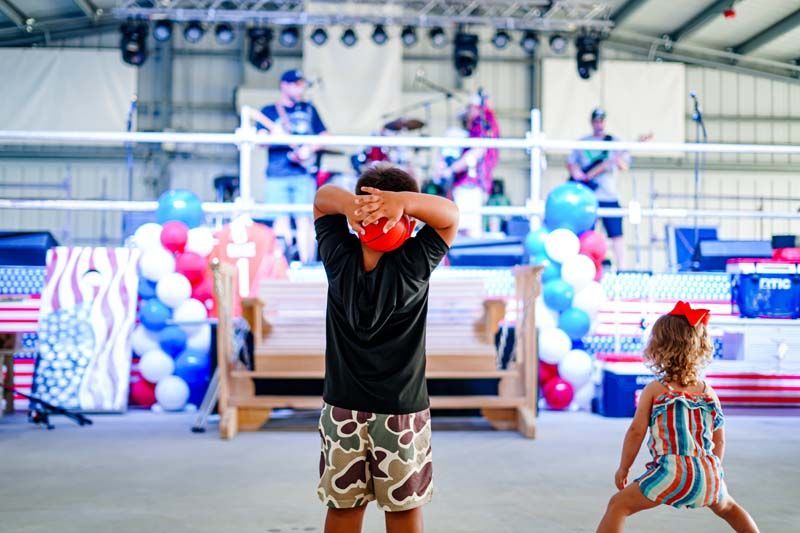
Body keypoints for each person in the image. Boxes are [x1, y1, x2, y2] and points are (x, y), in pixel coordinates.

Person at [312, 163, 459, 533]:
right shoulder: (415, 262)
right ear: (408, 225)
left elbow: (321, 200)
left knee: (343, 508)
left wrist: (352, 205)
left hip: (341, 409)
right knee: (404, 510)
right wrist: (402, 203)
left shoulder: (338, 256)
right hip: (401, 413)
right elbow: (448, 216)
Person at [597, 301, 759, 533]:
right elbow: (719, 440)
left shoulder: (655, 389)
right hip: (709, 471)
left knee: (618, 505)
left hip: (672, 473)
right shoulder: (708, 391)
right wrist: (713, 472)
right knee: (730, 508)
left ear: (659, 348)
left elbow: (636, 432)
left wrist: (624, 467)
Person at [257, 69, 327, 263]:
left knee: (305, 219)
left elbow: (324, 136)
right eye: (296, 84)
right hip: (277, 174)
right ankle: (283, 264)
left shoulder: (309, 110)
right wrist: (275, 136)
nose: (300, 89)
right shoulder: (269, 111)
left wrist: (308, 150)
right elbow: (259, 141)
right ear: (284, 85)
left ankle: (306, 264)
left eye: (301, 84)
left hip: (303, 174)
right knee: (280, 220)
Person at [567, 108, 630, 269]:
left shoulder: (614, 142)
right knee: (586, 233)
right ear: (592, 122)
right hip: (587, 195)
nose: (599, 124)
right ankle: (584, 266)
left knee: (616, 233)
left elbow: (625, 166)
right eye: (596, 121)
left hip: (608, 194)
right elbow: (571, 162)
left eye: (601, 121)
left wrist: (616, 161)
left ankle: (622, 269)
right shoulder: (583, 142)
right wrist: (577, 173)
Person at [439, 92, 500, 236]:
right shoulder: (487, 124)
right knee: (466, 226)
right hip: (477, 182)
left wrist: (451, 169)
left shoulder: (481, 123)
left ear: (476, 107)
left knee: (466, 229)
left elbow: (477, 151)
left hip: (470, 183)